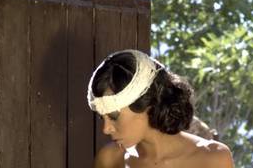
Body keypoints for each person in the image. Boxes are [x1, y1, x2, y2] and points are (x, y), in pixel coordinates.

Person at [88, 49, 233, 168]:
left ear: (146, 103)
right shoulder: (109, 160)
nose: (106, 129)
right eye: (102, 117)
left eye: (113, 116)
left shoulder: (214, 158)